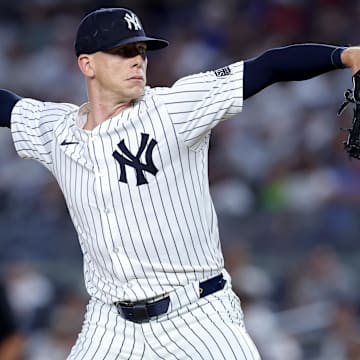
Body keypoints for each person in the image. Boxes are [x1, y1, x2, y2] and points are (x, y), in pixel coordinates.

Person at [1, 6, 360, 359]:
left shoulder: (174, 109)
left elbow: (267, 67)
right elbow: (8, 106)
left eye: (141, 50)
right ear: (87, 64)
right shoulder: (55, 130)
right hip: (110, 324)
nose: (137, 60)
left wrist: (344, 55)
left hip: (197, 315)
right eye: (123, 51)